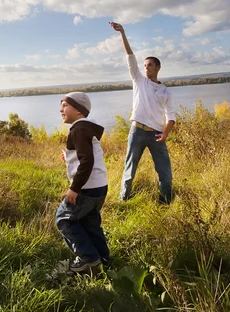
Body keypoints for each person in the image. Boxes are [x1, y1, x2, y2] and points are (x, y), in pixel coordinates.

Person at [110, 22, 176, 204]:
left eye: (149, 65)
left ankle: (165, 203)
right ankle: (123, 201)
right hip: (137, 131)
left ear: (158, 68)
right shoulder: (139, 80)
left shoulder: (165, 91)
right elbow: (130, 56)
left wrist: (165, 133)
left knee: (165, 172)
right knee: (129, 170)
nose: (146, 68)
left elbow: (171, 116)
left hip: (156, 135)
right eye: (144, 65)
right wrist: (122, 32)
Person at [56, 92, 110, 273]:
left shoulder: (78, 130)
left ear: (79, 110)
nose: (61, 109)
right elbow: (86, 155)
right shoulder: (87, 128)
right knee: (90, 222)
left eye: (65, 106)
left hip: (86, 188)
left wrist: (74, 188)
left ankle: (88, 259)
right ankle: (103, 258)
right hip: (99, 186)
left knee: (64, 219)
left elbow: (87, 161)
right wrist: (69, 156)